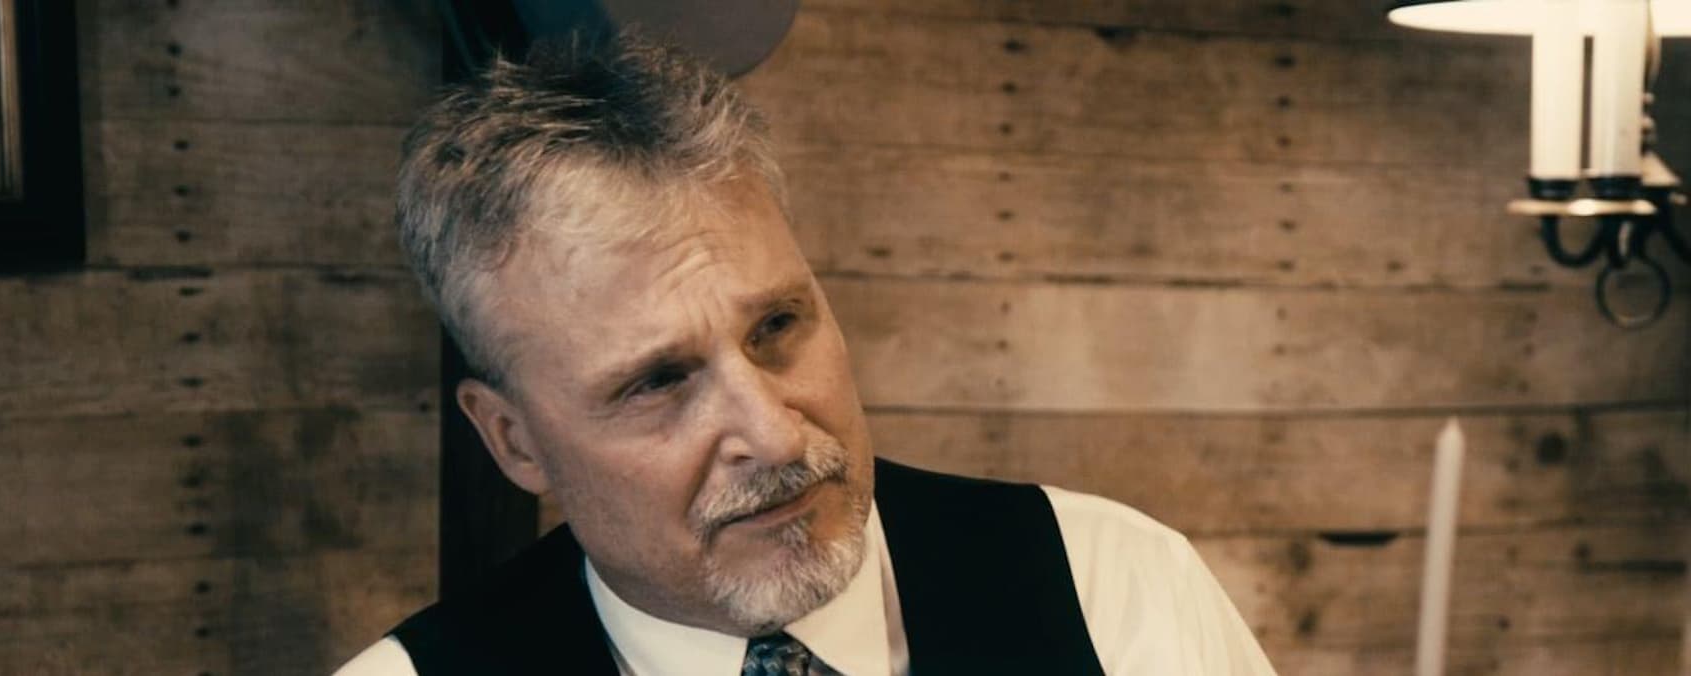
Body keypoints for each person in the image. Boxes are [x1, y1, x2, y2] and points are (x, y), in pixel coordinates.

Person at [335, 33, 1276, 676]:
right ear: (514, 441)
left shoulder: (1116, 591)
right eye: (659, 381)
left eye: (778, 327)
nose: (777, 436)